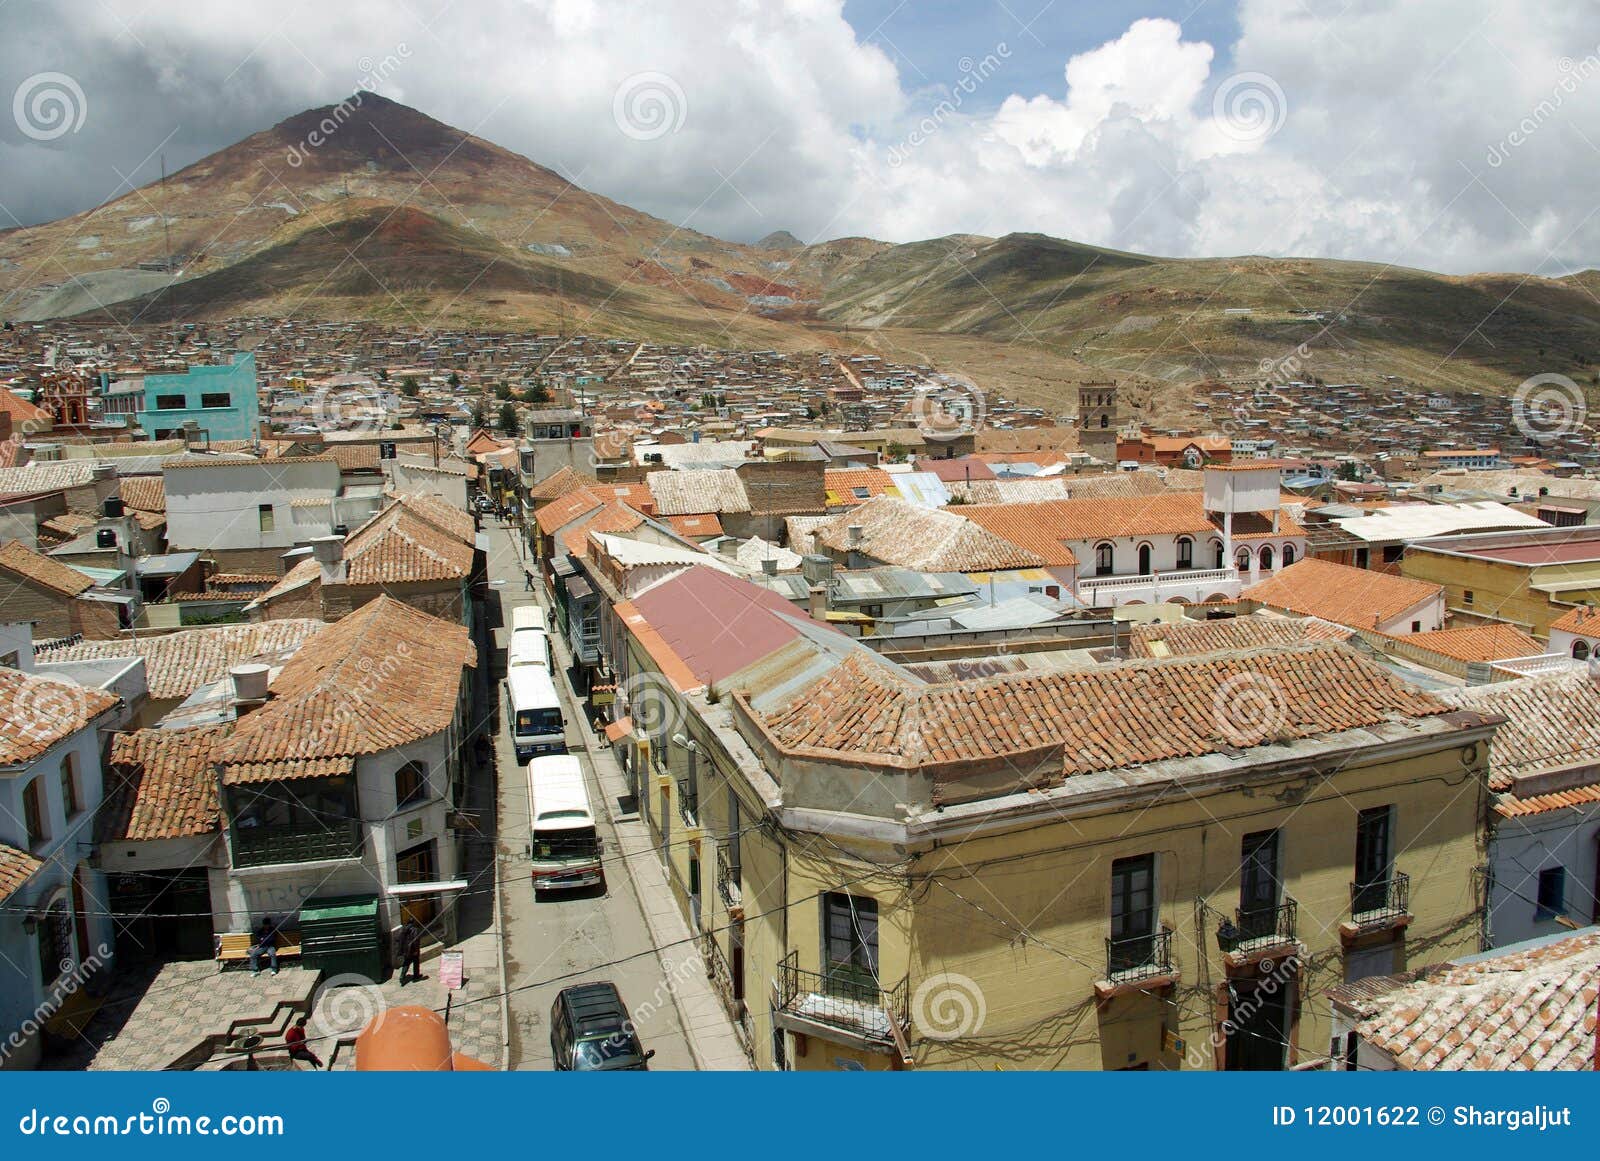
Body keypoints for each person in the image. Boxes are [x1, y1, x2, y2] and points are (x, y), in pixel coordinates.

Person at [397, 919, 424, 985]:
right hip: (412, 950)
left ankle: (402, 975)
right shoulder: (415, 930)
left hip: (405, 950)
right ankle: (416, 975)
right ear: (413, 923)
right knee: (416, 962)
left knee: (406, 963)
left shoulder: (403, 930)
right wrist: (416, 950)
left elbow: (398, 939)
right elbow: (415, 941)